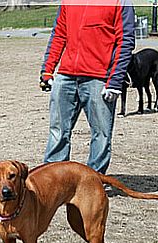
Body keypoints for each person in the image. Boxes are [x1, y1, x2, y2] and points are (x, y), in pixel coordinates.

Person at [40, 0, 135, 174]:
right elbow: (59, 34)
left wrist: (115, 81)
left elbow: (125, 41)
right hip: (66, 75)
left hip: (99, 78)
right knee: (58, 131)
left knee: (101, 134)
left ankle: (94, 181)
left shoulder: (120, 2)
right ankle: (51, 180)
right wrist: (47, 70)